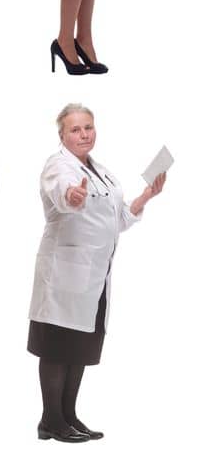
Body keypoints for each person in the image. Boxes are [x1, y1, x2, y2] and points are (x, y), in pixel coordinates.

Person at [29, 103, 166, 442]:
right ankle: (50, 419)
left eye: (88, 127)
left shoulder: (100, 170)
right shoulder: (58, 165)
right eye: (75, 129)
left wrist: (146, 196)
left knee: (80, 347)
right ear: (62, 134)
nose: (84, 134)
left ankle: (69, 415)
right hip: (64, 274)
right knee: (58, 346)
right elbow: (63, 192)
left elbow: (117, 220)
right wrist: (71, 195)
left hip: (94, 275)